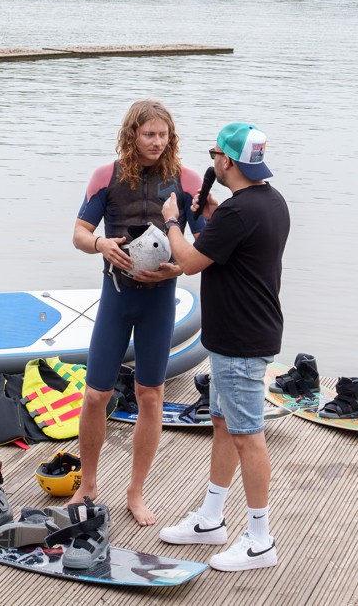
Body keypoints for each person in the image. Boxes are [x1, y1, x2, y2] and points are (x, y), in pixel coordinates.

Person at [158, 122, 290, 572]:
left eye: (215, 153)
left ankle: (260, 541)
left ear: (227, 161)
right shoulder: (269, 202)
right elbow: (233, 248)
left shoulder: (240, 211)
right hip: (242, 335)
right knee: (222, 423)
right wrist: (213, 218)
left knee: (248, 435)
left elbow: (190, 261)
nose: (212, 160)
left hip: (240, 342)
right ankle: (211, 518)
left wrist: (172, 221)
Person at [72, 99, 206, 526]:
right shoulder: (106, 176)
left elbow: (204, 248)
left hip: (159, 300)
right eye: (149, 134)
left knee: (151, 395)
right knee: (96, 394)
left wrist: (177, 267)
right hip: (117, 295)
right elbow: (79, 233)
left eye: (163, 135)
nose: (156, 142)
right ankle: (88, 484)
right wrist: (101, 244)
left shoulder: (186, 181)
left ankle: (136, 491)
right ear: (132, 135)